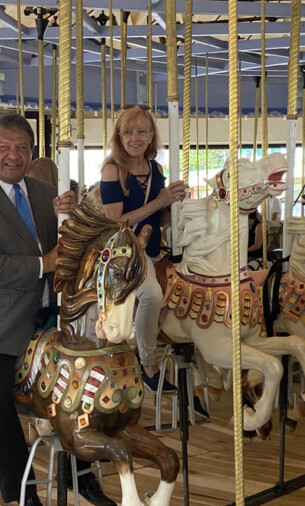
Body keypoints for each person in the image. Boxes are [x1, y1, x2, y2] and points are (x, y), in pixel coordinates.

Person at [0, 113, 111, 506]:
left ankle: (82, 472)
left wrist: (76, 218)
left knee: (78, 384)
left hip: (46, 315)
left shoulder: (45, 193)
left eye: (22, 148)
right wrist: (44, 262)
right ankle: (24, 496)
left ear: (32, 153)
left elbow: (76, 243)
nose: (13, 155)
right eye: (4, 147)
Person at [99, 105, 186, 391]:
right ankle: (148, 363)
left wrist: (177, 206)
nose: (134, 137)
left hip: (154, 247)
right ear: (119, 137)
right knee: (152, 295)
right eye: (128, 132)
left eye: (141, 131)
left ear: (151, 136)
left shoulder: (156, 169)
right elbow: (115, 222)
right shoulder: (113, 170)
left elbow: (161, 217)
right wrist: (159, 202)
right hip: (127, 249)